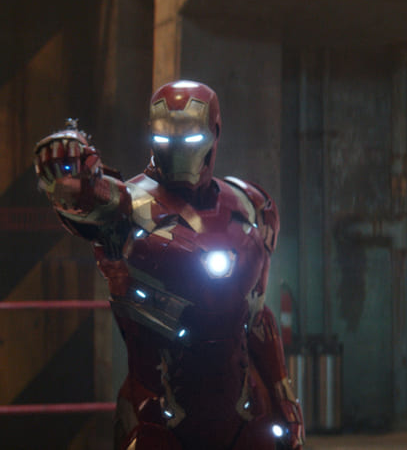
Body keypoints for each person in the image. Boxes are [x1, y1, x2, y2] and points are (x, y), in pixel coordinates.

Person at [34, 81, 304, 449]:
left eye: (190, 139)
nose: (178, 152)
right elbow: (89, 200)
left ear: (214, 132)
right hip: (157, 417)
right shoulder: (128, 204)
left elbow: (257, 316)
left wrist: (284, 398)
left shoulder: (250, 204)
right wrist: (66, 177)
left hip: (245, 415)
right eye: (165, 140)